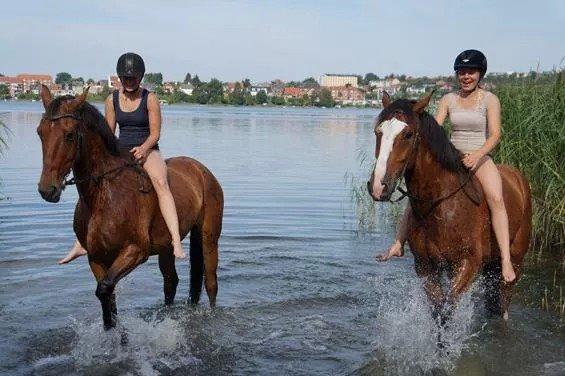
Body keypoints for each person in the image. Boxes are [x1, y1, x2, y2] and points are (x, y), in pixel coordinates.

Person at [376, 49, 516, 283]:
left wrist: (478, 154)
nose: (466, 76)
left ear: (480, 74)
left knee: (496, 198)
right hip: (451, 156)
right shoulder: (449, 99)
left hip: (479, 156)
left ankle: (505, 260)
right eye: (461, 72)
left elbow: (495, 135)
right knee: (418, 195)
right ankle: (399, 243)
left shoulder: (490, 100)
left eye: (471, 72)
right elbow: (435, 129)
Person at [59, 52, 186, 264]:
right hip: (120, 152)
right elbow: (109, 132)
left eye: (133, 78)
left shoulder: (150, 98)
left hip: (148, 151)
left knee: (161, 183)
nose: (129, 82)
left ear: (140, 78)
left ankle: (176, 240)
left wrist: (144, 148)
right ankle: (81, 242)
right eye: (125, 78)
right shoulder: (112, 100)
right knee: (92, 184)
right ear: (119, 78)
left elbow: (155, 132)